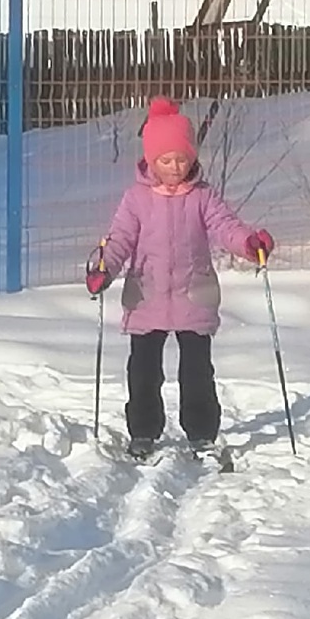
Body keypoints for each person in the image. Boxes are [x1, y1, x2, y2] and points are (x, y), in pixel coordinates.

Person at [85, 96, 274, 461]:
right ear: (151, 160)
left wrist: (250, 245)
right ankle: (143, 432)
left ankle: (201, 433)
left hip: (194, 294)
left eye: (182, 159)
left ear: (192, 157)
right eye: (166, 160)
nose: (175, 167)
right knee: (143, 372)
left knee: (197, 372)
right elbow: (121, 238)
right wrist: (104, 268)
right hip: (147, 296)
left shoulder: (203, 196)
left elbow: (226, 227)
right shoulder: (136, 199)